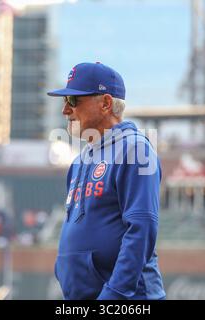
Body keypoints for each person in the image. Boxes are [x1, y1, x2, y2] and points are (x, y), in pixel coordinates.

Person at [47, 62, 166, 300]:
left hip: (128, 298)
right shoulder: (79, 161)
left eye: (73, 100)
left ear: (106, 103)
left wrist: (116, 293)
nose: (65, 110)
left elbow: (141, 229)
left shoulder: (135, 149)